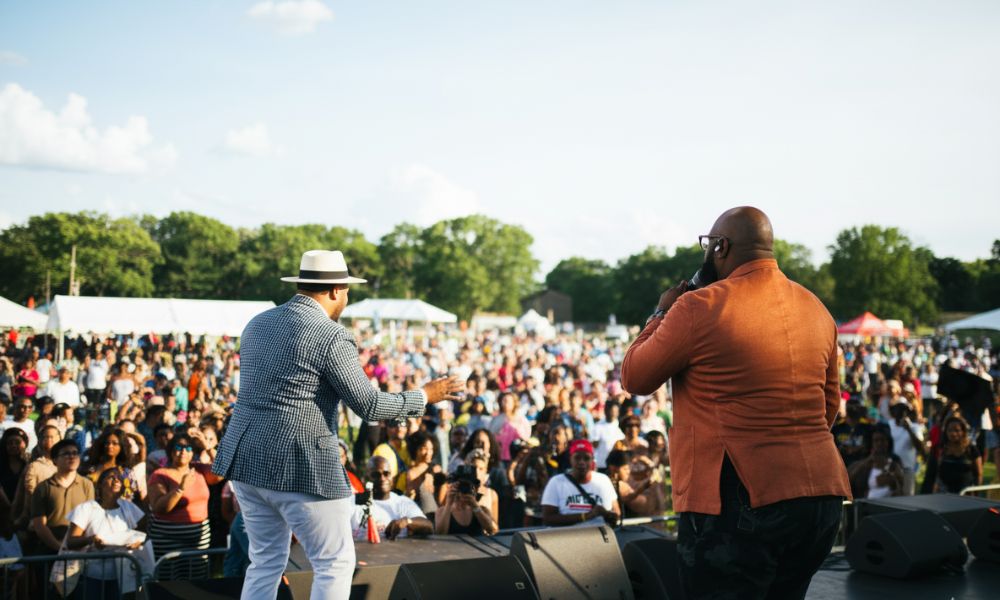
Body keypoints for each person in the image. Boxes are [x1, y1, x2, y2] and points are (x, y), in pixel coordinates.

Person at [621, 207, 850, 600]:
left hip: (738, 497)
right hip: (820, 496)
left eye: (709, 246)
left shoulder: (698, 306)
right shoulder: (817, 309)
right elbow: (828, 407)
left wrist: (661, 311)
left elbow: (635, 376)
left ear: (721, 247)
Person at [212, 249, 461, 600]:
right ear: (333, 290)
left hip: (246, 461)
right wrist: (425, 395)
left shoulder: (258, 323)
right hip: (299, 466)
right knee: (334, 563)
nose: (347, 297)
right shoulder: (331, 335)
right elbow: (370, 406)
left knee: (265, 561)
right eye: (346, 290)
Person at [147, 433, 221, 580]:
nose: (183, 451)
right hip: (167, 539)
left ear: (193, 452)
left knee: (196, 580)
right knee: (169, 582)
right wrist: (180, 489)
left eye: (187, 448)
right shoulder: (159, 474)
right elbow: (160, 507)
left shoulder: (198, 469)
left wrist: (207, 447)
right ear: (170, 451)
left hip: (199, 539)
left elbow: (221, 472)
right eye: (178, 447)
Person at [66, 467, 147, 599]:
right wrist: (91, 540)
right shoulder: (86, 508)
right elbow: (71, 541)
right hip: (92, 577)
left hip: (122, 576)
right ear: (100, 485)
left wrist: (138, 541)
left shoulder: (129, 507)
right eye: (111, 477)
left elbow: (144, 532)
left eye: (120, 478)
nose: (116, 480)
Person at [29, 439, 95, 553]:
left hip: (79, 549)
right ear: (55, 460)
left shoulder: (87, 485)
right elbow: (39, 525)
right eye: (66, 453)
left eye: (75, 453)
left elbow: (90, 519)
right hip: (49, 549)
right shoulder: (43, 487)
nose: (72, 457)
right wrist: (59, 548)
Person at [350, 456, 433, 541]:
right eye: (376, 475)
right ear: (366, 479)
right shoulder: (352, 502)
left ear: (392, 478)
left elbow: (428, 526)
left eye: (386, 474)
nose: (382, 478)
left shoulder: (402, 502)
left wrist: (406, 522)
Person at [541, 439, 619, 527]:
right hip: (566, 538)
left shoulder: (604, 480)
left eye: (586, 458)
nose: (582, 462)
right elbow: (548, 519)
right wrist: (586, 516)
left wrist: (607, 514)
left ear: (592, 460)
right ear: (570, 459)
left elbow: (617, 513)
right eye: (577, 458)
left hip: (600, 538)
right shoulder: (556, 482)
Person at [434, 449, 499, 536]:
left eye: (470, 486)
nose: (465, 489)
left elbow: (492, 530)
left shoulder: (482, 509)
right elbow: (440, 533)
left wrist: (475, 506)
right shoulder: (442, 511)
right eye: (461, 484)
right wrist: (449, 504)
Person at [10, 424, 59, 528]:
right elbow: (29, 499)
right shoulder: (35, 467)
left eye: (52, 437)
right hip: (38, 523)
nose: (49, 440)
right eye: (46, 437)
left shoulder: (63, 464)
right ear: (40, 441)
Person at [847, 424, 904, 499]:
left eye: (883, 440)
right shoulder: (863, 461)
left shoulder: (895, 462)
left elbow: (901, 489)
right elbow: (848, 480)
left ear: (888, 442)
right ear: (871, 443)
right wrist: (865, 463)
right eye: (876, 440)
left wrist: (894, 481)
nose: (880, 443)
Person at [933, 415, 982, 494]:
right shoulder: (943, 449)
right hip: (944, 495)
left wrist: (975, 493)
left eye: (957, 430)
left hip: (965, 494)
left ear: (963, 431)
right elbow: (938, 474)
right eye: (950, 430)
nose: (953, 433)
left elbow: (978, 474)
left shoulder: (971, 449)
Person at [591, 401, 625, 469]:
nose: (613, 414)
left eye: (615, 411)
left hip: (616, 466)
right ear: (606, 411)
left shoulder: (621, 426)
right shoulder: (598, 426)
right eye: (612, 411)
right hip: (601, 465)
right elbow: (594, 446)